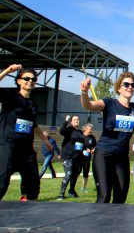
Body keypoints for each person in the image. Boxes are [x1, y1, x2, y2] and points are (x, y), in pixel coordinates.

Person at [80, 71, 134, 203]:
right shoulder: (109, 103)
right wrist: (84, 92)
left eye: (133, 85)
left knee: (120, 197)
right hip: (104, 154)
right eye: (126, 84)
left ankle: (115, 224)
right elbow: (88, 105)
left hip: (121, 157)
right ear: (119, 88)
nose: (130, 87)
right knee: (104, 195)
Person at [0, 65, 52, 201]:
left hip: (26, 151)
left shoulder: (33, 104)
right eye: (26, 78)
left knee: (33, 187)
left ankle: (25, 212)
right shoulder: (10, 96)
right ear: (19, 81)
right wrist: (6, 71)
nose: (30, 81)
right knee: (2, 184)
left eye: (33, 79)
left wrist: (46, 140)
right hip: (8, 147)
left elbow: (33, 125)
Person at [58, 115, 84, 200]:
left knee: (75, 174)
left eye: (78, 119)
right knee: (68, 174)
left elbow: (81, 142)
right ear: (71, 122)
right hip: (68, 155)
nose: (77, 121)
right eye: (75, 119)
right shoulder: (69, 129)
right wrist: (66, 121)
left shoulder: (80, 131)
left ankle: (71, 191)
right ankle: (61, 194)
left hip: (77, 156)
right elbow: (61, 131)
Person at [81, 123, 96, 192]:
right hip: (79, 157)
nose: (91, 130)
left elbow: (95, 146)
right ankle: (72, 188)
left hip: (87, 158)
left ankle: (83, 188)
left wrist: (93, 149)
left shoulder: (92, 137)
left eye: (92, 129)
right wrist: (83, 150)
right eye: (90, 129)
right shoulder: (81, 136)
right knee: (76, 172)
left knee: (85, 172)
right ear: (85, 129)